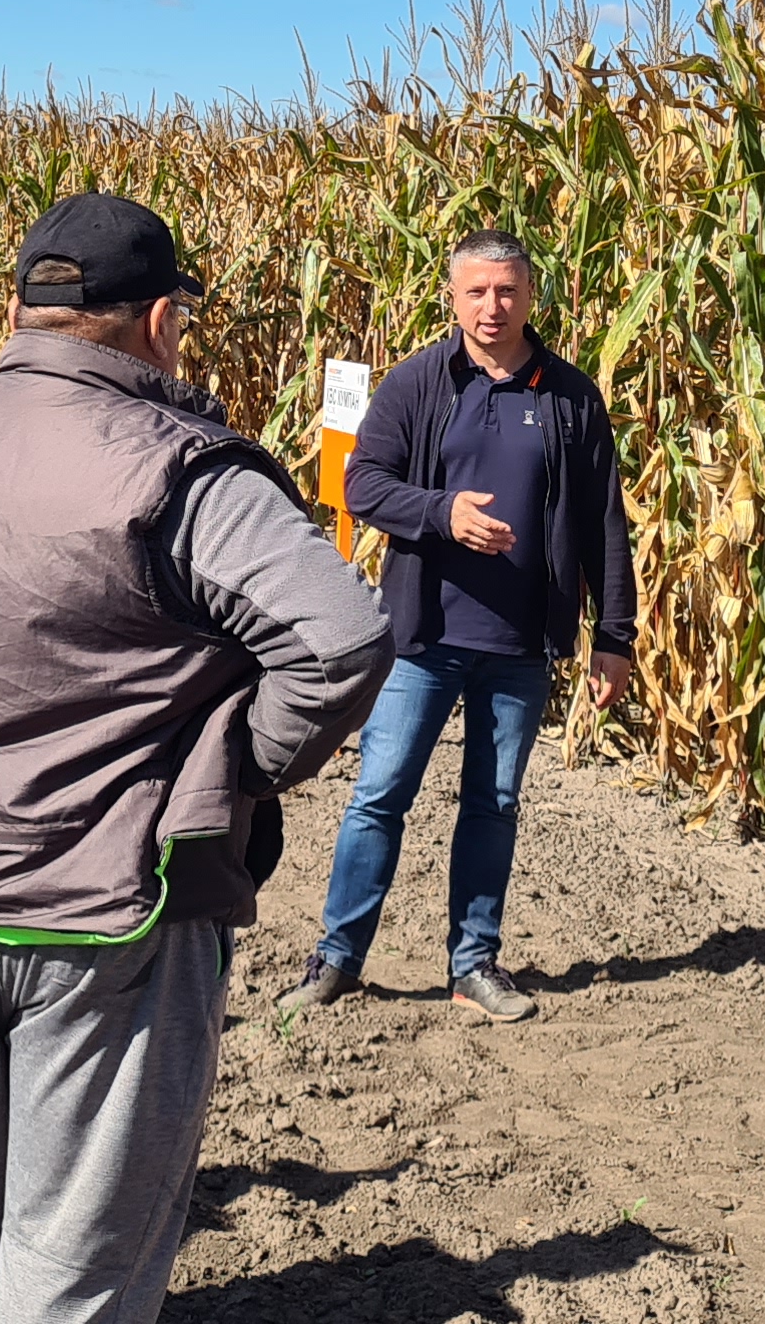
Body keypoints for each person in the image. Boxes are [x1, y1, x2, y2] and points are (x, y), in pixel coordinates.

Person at [0, 192, 389, 1324]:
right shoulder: (182, 469)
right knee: (76, 1268)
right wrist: (234, 770)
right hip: (116, 909)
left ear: (14, 309)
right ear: (162, 322)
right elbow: (342, 638)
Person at [279, 228, 635, 1025]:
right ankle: (337, 958)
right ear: (454, 297)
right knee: (379, 794)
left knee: (493, 804)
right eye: (476, 291)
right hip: (424, 639)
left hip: (519, 646)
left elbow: (605, 520)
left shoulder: (570, 397)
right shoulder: (419, 384)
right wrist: (443, 515)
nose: (492, 306)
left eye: (507, 291)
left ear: (530, 297)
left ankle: (473, 963)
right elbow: (361, 483)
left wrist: (615, 635)